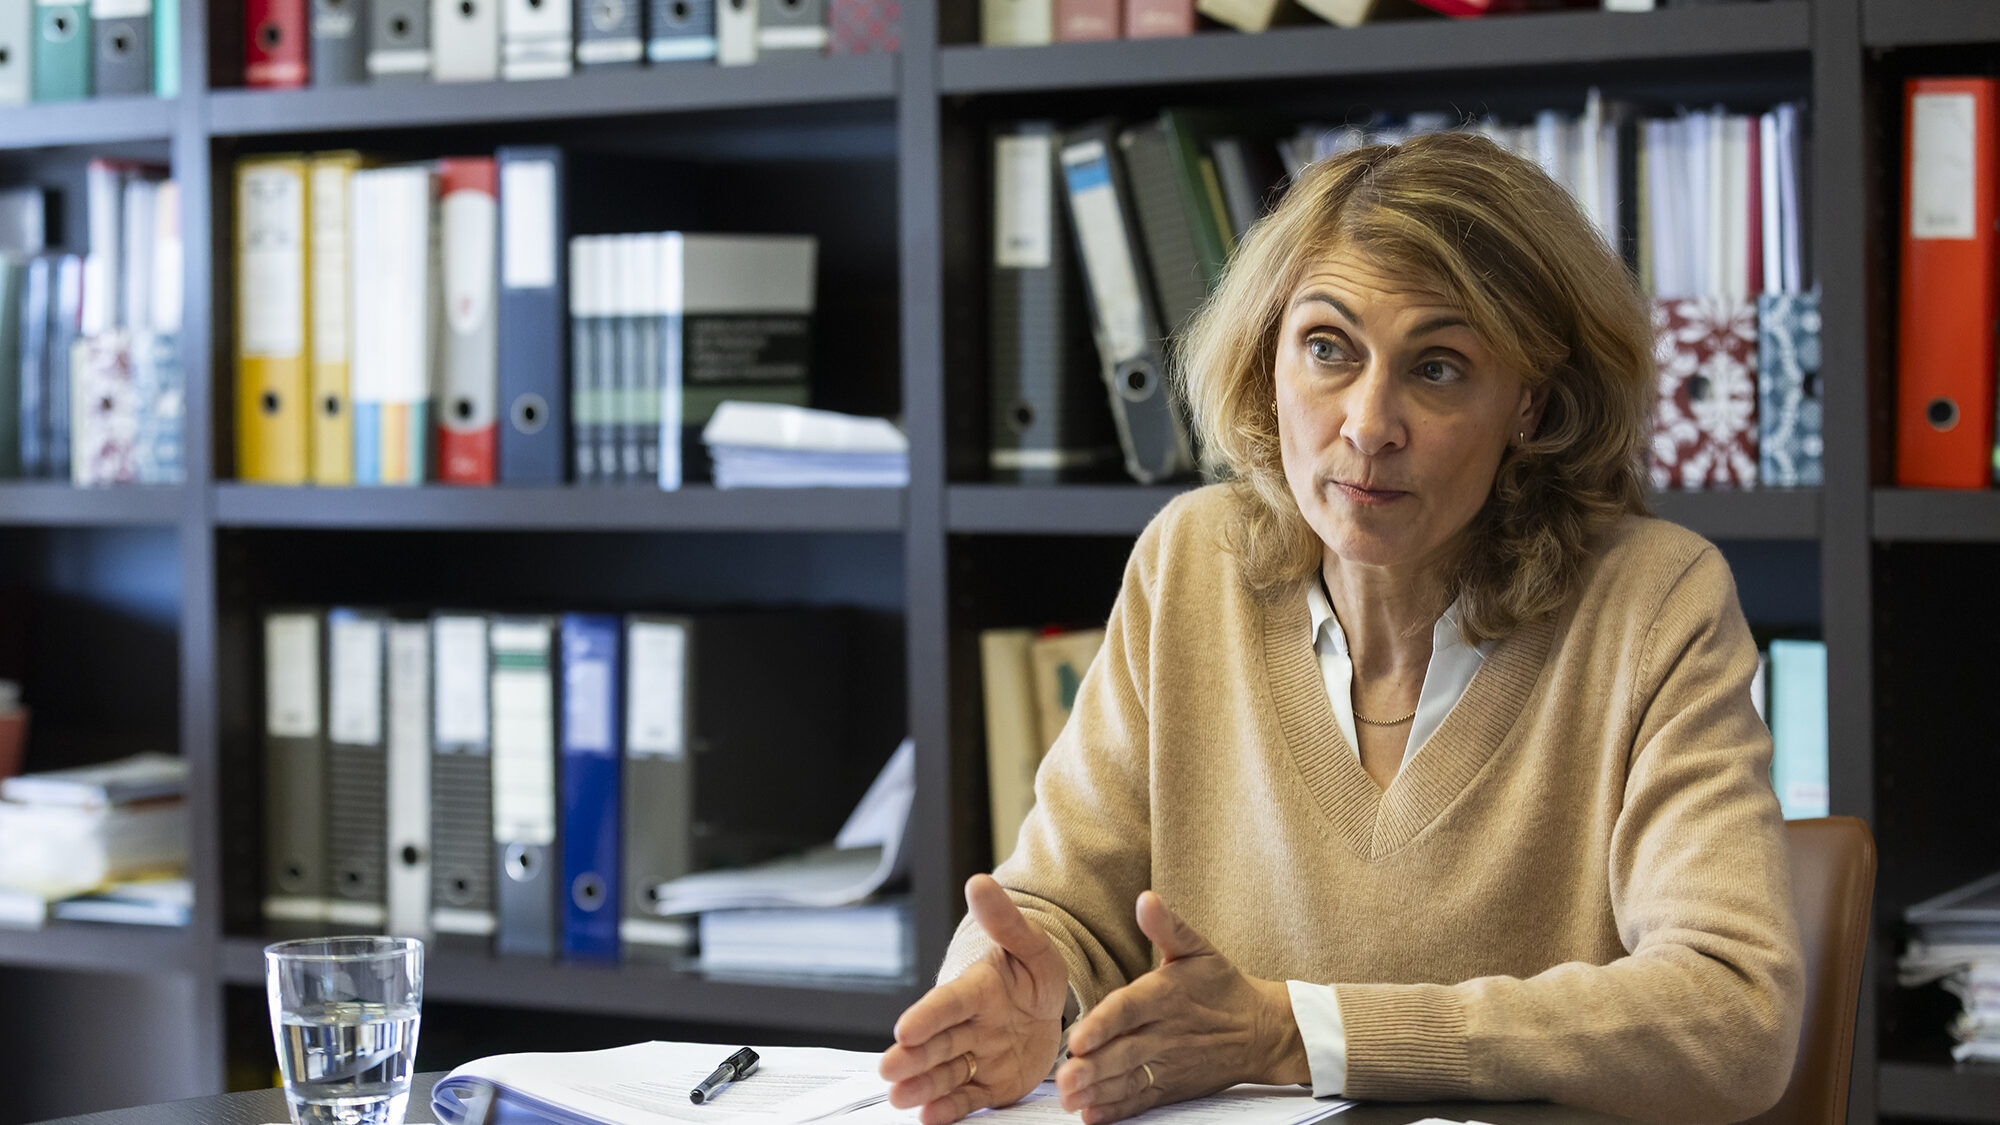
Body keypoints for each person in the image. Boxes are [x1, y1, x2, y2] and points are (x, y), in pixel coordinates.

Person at [878, 129, 1808, 1125]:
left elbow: (1732, 1013)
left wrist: (1299, 1033)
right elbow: (1060, 906)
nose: (1368, 424)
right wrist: (1011, 986)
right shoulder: (1192, 560)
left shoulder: (1653, 600)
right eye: (1327, 349)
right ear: (1268, 358)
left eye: (1438, 368)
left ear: (1531, 407)